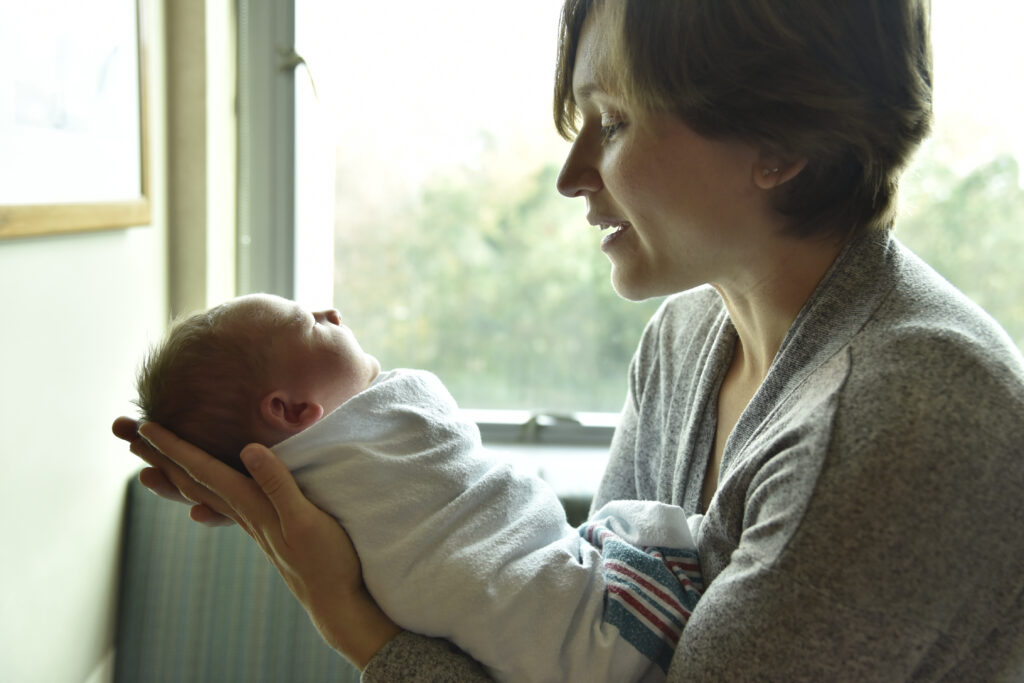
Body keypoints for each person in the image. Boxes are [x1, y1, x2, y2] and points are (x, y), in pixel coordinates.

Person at [114, 0, 1024, 679]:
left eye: (614, 120)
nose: (570, 174)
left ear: (778, 141)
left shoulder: (906, 411)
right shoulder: (684, 342)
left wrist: (348, 614)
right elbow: (580, 639)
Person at [132, 292, 705, 682]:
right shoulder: (396, 416)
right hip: (570, 617)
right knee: (634, 528)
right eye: (308, 322)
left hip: (532, 643)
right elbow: (425, 403)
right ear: (291, 409)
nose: (330, 313)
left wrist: (342, 611)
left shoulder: (301, 492)